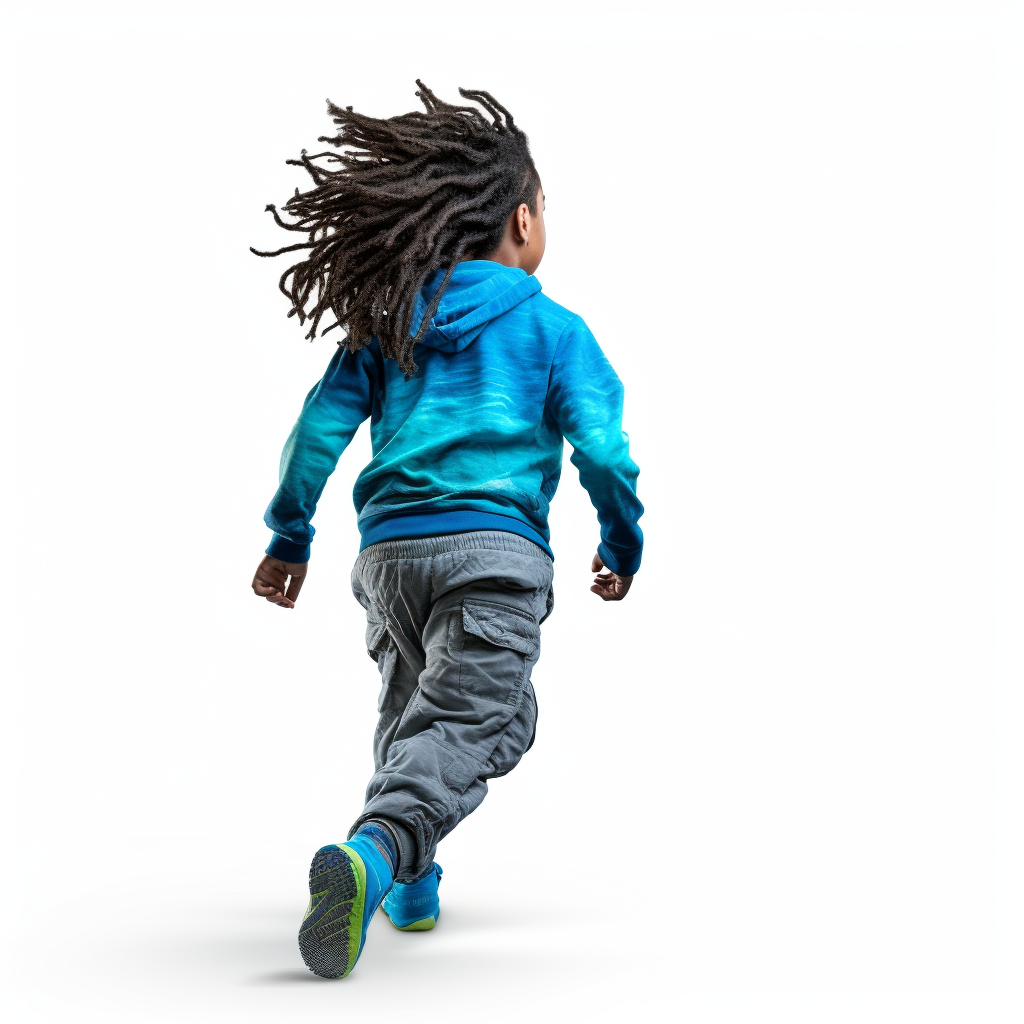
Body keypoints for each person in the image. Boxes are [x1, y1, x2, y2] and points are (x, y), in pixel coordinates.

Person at [249, 81, 644, 979]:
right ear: (519, 220)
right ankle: (378, 850)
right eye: (545, 209)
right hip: (495, 553)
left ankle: (412, 886)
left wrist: (288, 536)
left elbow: (317, 432)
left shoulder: (385, 323)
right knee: (490, 717)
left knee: (413, 708)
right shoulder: (553, 327)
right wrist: (621, 543)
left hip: (388, 555)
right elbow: (606, 451)